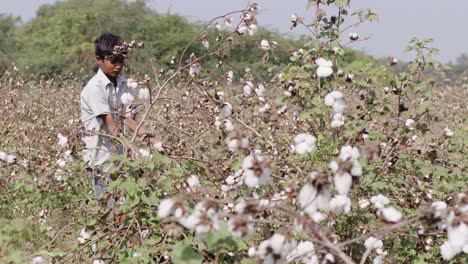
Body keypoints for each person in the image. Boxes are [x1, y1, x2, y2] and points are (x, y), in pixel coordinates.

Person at [80, 33, 161, 204]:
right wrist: (132, 148)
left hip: (121, 158)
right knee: (107, 210)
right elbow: (111, 125)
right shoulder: (94, 88)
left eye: (121, 61)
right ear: (98, 60)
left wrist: (152, 139)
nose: (118, 66)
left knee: (126, 207)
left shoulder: (125, 84)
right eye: (113, 61)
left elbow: (128, 120)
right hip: (100, 160)